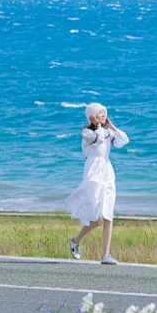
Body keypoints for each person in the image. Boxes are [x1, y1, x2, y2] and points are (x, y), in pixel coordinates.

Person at [66, 102, 129, 264]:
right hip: (93, 173)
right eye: (100, 113)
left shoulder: (108, 132)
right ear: (92, 116)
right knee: (96, 220)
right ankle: (76, 240)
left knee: (108, 215)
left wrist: (111, 126)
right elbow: (97, 139)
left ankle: (106, 255)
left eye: (105, 112)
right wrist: (98, 126)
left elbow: (124, 140)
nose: (104, 115)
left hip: (107, 173)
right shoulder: (88, 132)